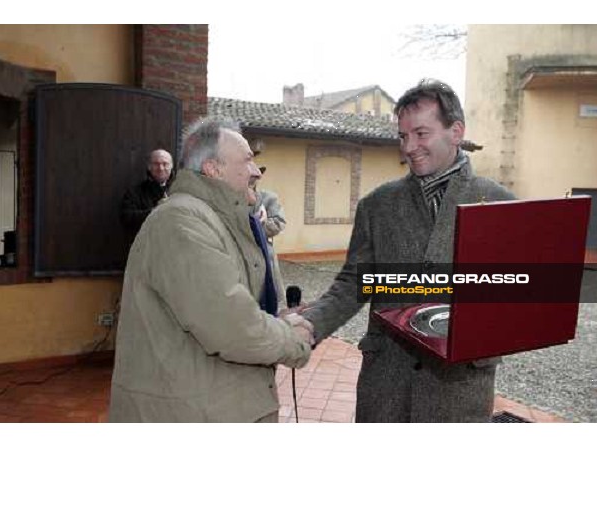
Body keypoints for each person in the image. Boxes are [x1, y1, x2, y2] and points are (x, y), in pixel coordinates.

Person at [301, 79, 516, 422]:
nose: (409, 147)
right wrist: (310, 323)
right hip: (386, 386)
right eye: (403, 136)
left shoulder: (501, 205)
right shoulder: (377, 205)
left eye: (421, 133)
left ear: (456, 131)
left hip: (459, 390)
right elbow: (354, 282)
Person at [109, 117, 313, 423]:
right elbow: (231, 327)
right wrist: (291, 338)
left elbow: (233, 299)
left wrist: (273, 319)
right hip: (193, 412)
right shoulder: (180, 222)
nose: (256, 171)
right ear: (213, 169)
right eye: (247, 160)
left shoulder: (217, 219)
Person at [119, 149, 175, 241]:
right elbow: (126, 218)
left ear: (171, 166)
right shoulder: (134, 192)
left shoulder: (181, 190)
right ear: (149, 167)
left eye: (165, 164)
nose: (160, 168)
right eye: (156, 164)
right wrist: (155, 211)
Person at [250, 167, 287, 302]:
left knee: (267, 301)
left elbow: (279, 222)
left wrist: (259, 225)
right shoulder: (231, 198)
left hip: (265, 256)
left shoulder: (268, 198)